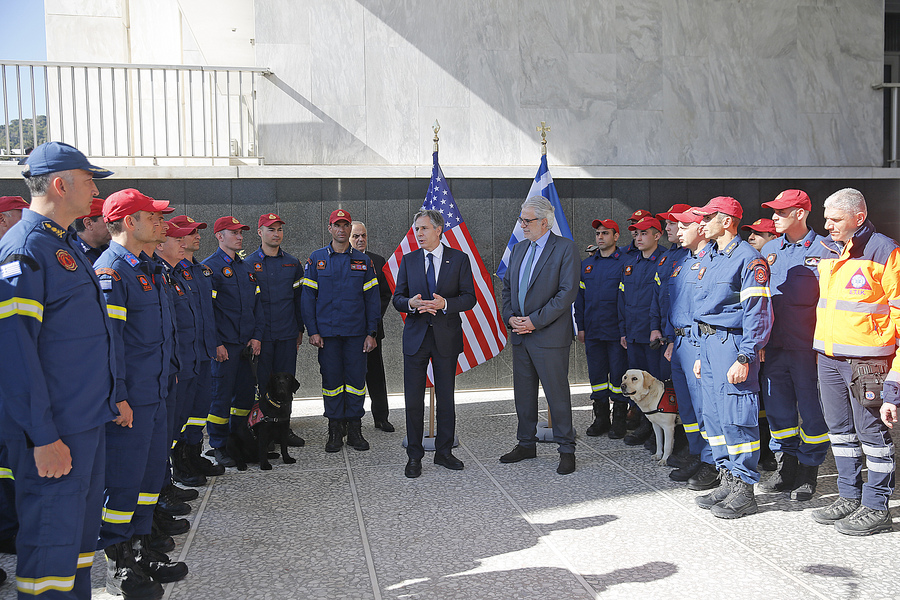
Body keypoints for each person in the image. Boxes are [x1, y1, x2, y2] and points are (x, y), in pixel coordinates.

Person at [0, 141, 116, 599]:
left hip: (84, 424)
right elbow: (14, 352)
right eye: (89, 181)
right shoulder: (25, 248)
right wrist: (42, 437)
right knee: (50, 552)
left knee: (78, 549)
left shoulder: (63, 244)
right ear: (60, 185)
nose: (95, 191)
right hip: (54, 433)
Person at [95, 188, 187, 597]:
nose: (161, 223)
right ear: (129, 222)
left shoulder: (148, 268)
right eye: (153, 217)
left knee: (149, 478)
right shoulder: (112, 270)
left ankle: (141, 549)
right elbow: (109, 342)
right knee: (123, 482)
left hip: (156, 391)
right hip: (131, 399)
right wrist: (118, 396)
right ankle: (118, 565)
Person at [811, 188, 900, 535]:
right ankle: (849, 496)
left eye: (835, 219)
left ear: (858, 218)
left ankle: (876, 506)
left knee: (872, 435)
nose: (828, 225)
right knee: (840, 433)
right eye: (826, 218)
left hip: (868, 363)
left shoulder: (885, 251)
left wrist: (895, 381)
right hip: (829, 358)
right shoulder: (828, 250)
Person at [691, 196, 773, 520]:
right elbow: (703, 307)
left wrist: (745, 356)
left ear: (726, 221)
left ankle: (744, 489)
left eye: (707, 217)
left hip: (732, 345)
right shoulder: (711, 256)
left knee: (738, 417)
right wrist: (700, 351)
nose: (702, 223)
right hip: (709, 344)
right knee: (714, 416)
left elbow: (758, 312)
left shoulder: (749, 260)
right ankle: (727, 478)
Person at [756, 190, 829, 502]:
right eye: (774, 211)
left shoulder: (827, 249)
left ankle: (808, 470)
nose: (774, 217)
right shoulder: (770, 249)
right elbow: (760, 300)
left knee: (812, 411)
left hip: (807, 348)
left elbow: (831, 302)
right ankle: (785, 466)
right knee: (778, 409)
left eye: (781, 212)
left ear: (800, 213)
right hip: (775, 346)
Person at [391, 209, 476, 478]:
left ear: (438, 230)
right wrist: (411, 304)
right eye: (416, 229)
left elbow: (470, 298)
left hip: (445, 338)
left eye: (424, 228)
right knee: (413, 400)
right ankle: (414, 456)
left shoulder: (458, 259)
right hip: (416, 338)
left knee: (446, 398)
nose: (419, 234)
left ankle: (444, 452)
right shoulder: (409, 260)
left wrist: (445, 304)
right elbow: (397, 298)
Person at [500, 196, 580, 475]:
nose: (522, 225)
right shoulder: (519, 248)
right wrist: (510, 317)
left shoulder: (565, 248)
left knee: (557, 395)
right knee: (523, 395)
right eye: (521, 219)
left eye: (527, 220)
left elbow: (567, 293)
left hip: (549, 335)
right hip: (520, 334)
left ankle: (566, 449)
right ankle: (526, 443)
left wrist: (534, 321)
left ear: (544, 222)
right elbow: (507, 288)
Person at [301, 209, 380, 453]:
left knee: (356, 382)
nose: (342, 229)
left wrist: (371, 332)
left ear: (349, 229)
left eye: (346, 225)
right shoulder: (316, 259)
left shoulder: (363, 261)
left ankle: (355, 429)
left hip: (357, 335)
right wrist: (312, 331)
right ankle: (335, 429)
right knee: (332, 382)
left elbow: (372, 300)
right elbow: (307, 298)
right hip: (327, 336)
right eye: (337, 225)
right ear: (330, 228)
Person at [660, 208, 717, 488]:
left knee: (704, 406)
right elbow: (674, 303)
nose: (677, 231)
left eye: (684, 226)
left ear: (701, 228)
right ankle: (697, 452)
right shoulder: (683, 260)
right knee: (687, 406)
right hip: (680, 341)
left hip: (698, 341)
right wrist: (671, 338)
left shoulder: (713, 260)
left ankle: (712, 461)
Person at [168, 215, 225, 481]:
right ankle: (180, 464)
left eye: (197, 232)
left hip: (203, 353)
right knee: (182, 412)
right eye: (191, 233)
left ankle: (193, 454)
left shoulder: (200, 271)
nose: (197, 236)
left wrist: (215, 343)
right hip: (184, 356)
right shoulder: (172, 272)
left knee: (199, 408)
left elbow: (208, 314)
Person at [253, 213, 305, 446]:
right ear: (260, 232)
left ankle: (284, 428)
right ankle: (263, 430)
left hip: (286, 333)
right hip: (261, 336)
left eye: (279, 230)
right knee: (264, 384)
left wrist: (300, 329)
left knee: (286, 384)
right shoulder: (248, 264)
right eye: (271, 229)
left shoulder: (293, 264)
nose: (276, 234)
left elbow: (299, 299)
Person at [574, 218, 628, 438]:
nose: (600, 237)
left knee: (618, 377)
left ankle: (619, 420)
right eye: (598, 233)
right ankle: (601, 418)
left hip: (616, 332)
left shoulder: (625, 262)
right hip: (593, 331)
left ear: (616, 236)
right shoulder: (587, 264)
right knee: (597, 377)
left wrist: (625, 330)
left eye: (605, 233)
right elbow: (580, 298)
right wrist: (580, 326)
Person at [618, 215, 665, 446]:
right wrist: (623, 330)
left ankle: (659, 430)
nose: (638, 237)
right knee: (637, 384)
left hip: (653, 335)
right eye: (636, 233)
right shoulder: (631, 264)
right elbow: (622, 300)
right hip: (634, 333)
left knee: (655, 383)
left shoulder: (664, 261)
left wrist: (658, 329)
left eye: (644, 233)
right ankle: (644, 425)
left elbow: (662, 300)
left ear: (657, 235)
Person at [351, 220, 395, 432]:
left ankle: (381, 417)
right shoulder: (339, 259)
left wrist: (372, 321)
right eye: (356, 236)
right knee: (349, 376)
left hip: (372, 330)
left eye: (363, 235)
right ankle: (348, 420)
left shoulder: (377, 261)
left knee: (376, 375)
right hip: (348, 331)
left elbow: (385, 294)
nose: (360, 239)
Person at [72, 196, 110, 262]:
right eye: (107, 220)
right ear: (88, 223)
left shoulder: (106, 249)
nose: (113, 224)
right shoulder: (72, 252)